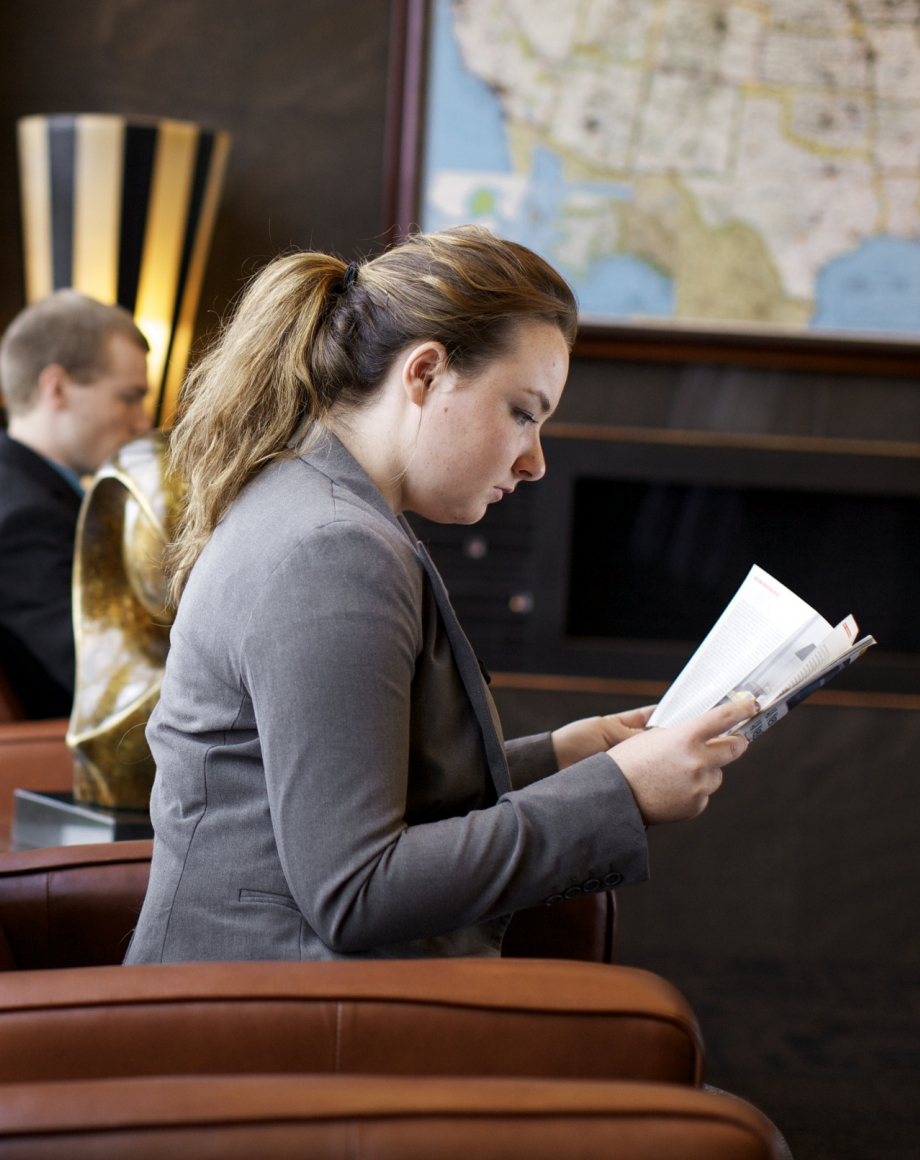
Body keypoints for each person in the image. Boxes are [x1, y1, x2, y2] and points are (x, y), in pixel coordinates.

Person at [125, 226, 755, 963]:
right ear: (424, 374)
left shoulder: (317, 506)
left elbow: (351, 788)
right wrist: (619, 791)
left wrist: (565, 757)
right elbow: (355, 893)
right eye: (523, 412)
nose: (535, 461)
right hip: (260, 1027)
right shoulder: (332, 549)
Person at [0, 291, 154, 718]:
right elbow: (112, 681)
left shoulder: (20, 497)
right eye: (130, 396)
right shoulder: (20, 522)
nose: (143, 421)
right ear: (57, 388)